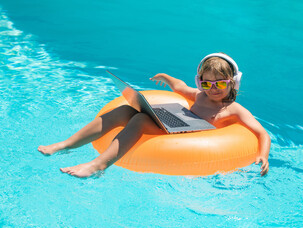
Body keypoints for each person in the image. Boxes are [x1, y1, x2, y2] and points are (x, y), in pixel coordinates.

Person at [38, 53, 271, 177]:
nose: (213, 88)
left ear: (233, 83)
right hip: (177, 125)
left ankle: (98, 165)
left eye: (220, 83)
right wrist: (168, 78)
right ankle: (65, 145)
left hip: (190, 137)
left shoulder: (233, 109)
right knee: (124, 110)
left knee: (139, 119)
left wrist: (262, 155)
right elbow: (181, 88)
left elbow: (262, 133)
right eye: (206, 83)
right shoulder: (200, 95)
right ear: (200, 82)